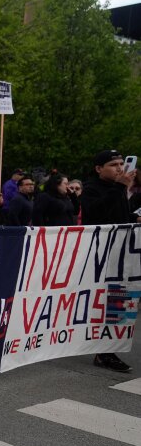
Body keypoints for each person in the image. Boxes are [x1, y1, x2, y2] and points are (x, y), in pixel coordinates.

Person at [81, 150, 138, 373]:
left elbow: (118, 217)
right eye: (114, 164)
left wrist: (134, 218)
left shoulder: (118, 189)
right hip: (101, 257)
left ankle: (109, 349)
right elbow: (96, 214)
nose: (120, 168)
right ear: (99, 169)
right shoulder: (91, 189)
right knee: (104, 303)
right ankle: (103, 351)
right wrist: (119, 188)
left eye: (122, 163)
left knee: (119, 303)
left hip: (121, 255)